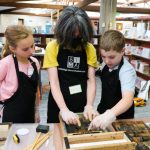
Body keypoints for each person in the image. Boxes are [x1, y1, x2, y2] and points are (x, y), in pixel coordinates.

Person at [43, 6, 98, 150]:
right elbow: (54, 82)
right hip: (58, 102)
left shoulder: (89, 48)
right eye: (72, 36)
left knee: (78, 139)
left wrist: (90, 105)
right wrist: (64, 109)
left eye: (79, 36)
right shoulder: (53, 47)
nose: (76, 39)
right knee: (57, 139)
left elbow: (91, 81)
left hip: (81, 100)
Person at [89, 30, 137, 130]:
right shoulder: (106, 64)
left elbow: (127, 100)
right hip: (103, 110)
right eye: (103, 57)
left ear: (123, 51)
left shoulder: (127, 71)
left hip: (121, 118)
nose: (107, 61)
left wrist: (109, 115)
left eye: (111, 57)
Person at [0, 25, 40, 123]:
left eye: (32, 46)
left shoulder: (35, 63)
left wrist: (36, 111)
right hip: (11, 113)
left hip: (29, 111)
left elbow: (36, 90)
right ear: (13, 49)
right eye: (25, 49)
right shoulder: (6, 63)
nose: (32, 51)